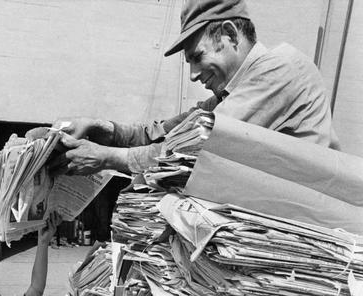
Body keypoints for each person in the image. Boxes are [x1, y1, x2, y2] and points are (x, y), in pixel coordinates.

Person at [31, 0, 339, 177]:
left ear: (230, 35)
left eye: (197, 57)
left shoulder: (282, 68)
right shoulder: (226, 99)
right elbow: (163, 133)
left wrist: (107, 157)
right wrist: (104, 129)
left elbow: (190, 152)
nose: (192, 75)